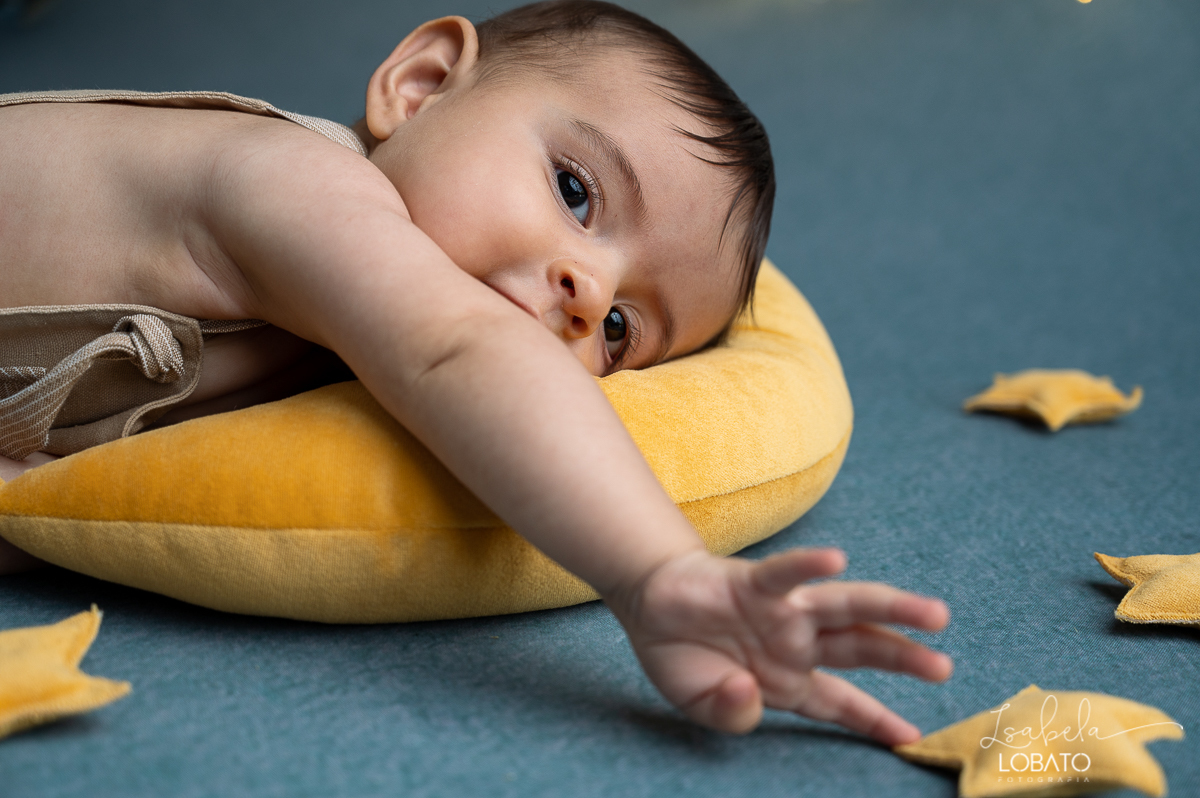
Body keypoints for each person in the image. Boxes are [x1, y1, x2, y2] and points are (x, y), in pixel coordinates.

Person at [0, 0, 952, 742]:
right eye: (575, 191)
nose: (588, 291)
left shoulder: (332, 337)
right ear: (419, 86)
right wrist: (657, 574)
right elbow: (456, 351)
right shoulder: (292, 184)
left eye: (620, 328)